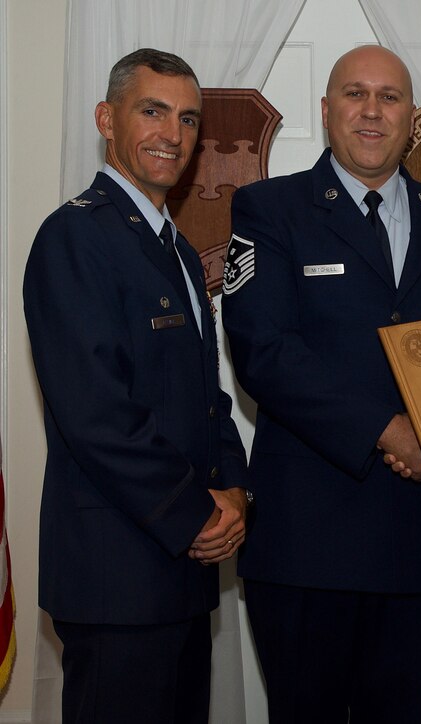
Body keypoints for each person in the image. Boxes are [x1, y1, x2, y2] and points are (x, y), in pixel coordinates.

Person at [221, 45, 421, 723]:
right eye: (354, 94)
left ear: (411, 117)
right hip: (307, 541)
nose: (371, 111)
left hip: (419, 539)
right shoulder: (270, 210)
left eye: (389, 97)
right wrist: (389, 430)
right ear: (326, 110)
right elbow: (264, 353)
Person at [23, 48, 250, 724]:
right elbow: (95, 413)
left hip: (181, 570)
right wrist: (196, 516)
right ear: (107, 119)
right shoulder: (75, 236)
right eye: (152, 112)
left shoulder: (174, 247)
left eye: (186, 119)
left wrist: (236, 488)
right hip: (116, 573)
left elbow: (207, 396)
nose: (172, 134)